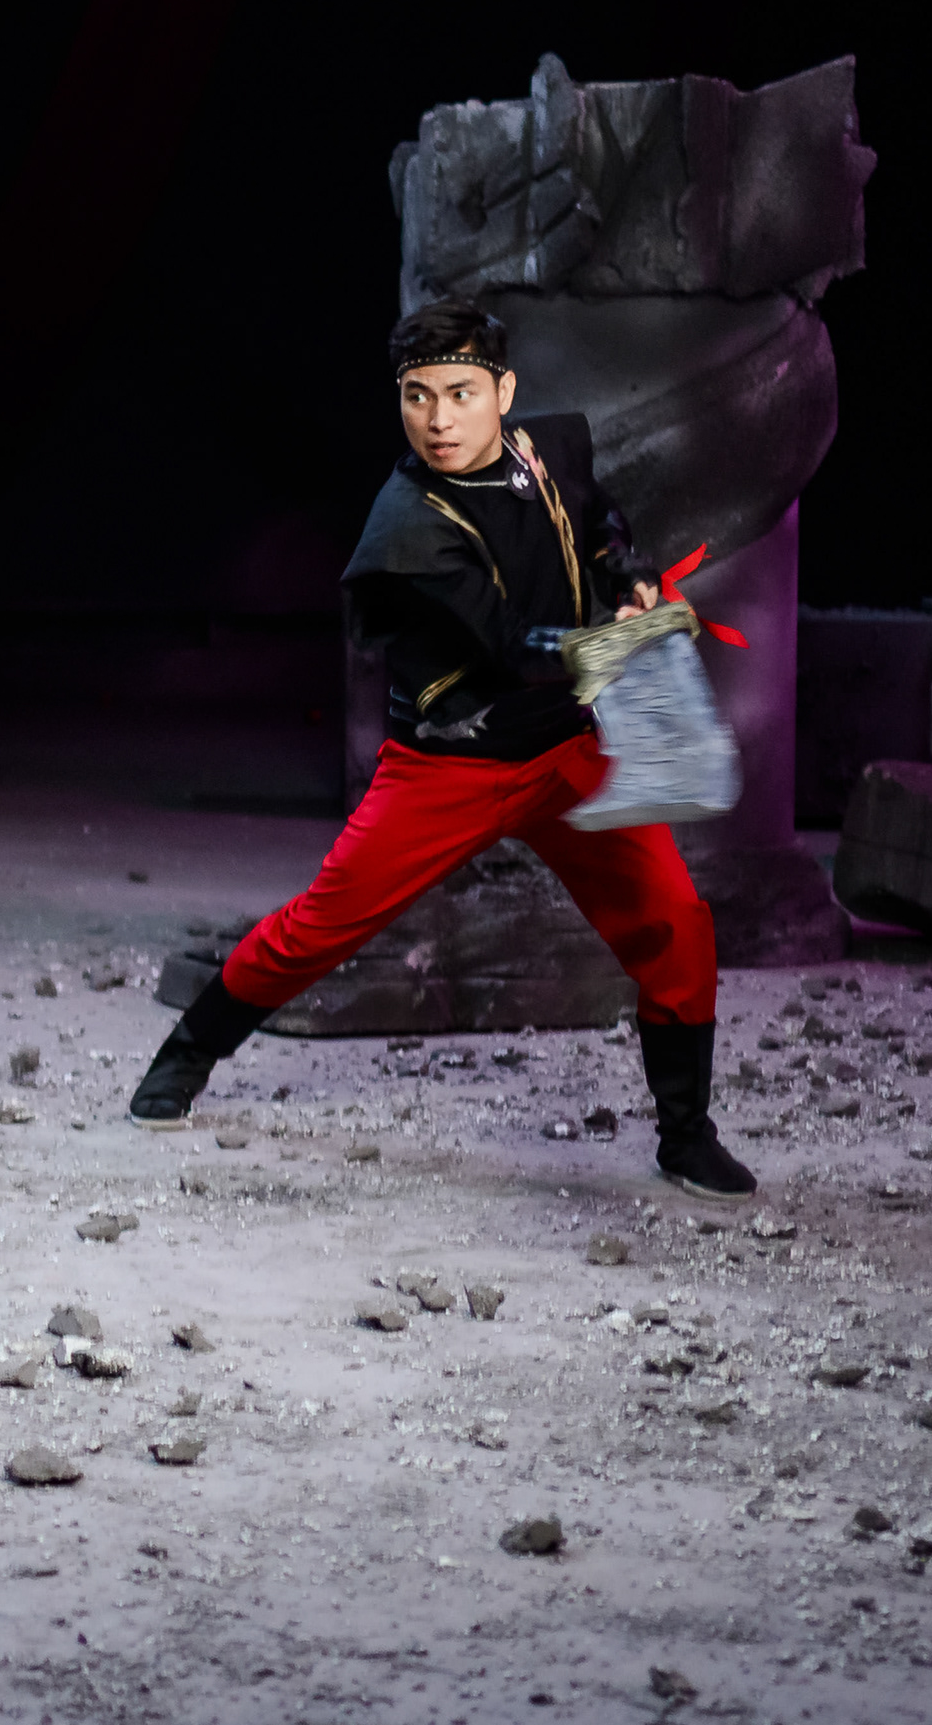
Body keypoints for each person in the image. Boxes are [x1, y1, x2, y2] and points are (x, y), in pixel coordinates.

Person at [125, 298, 757, 1201]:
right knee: (319, 928)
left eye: (460, 393)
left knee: (677, 921)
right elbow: (509, 648)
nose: (438, 419)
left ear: (503, 392)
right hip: (449, 769)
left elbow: (598, 518)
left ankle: (686, 1136)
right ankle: (187, 1055)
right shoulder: (406, 529)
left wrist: (628, 578)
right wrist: (627, 642)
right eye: (417, 396)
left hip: (567, 752)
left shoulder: (546, 450)